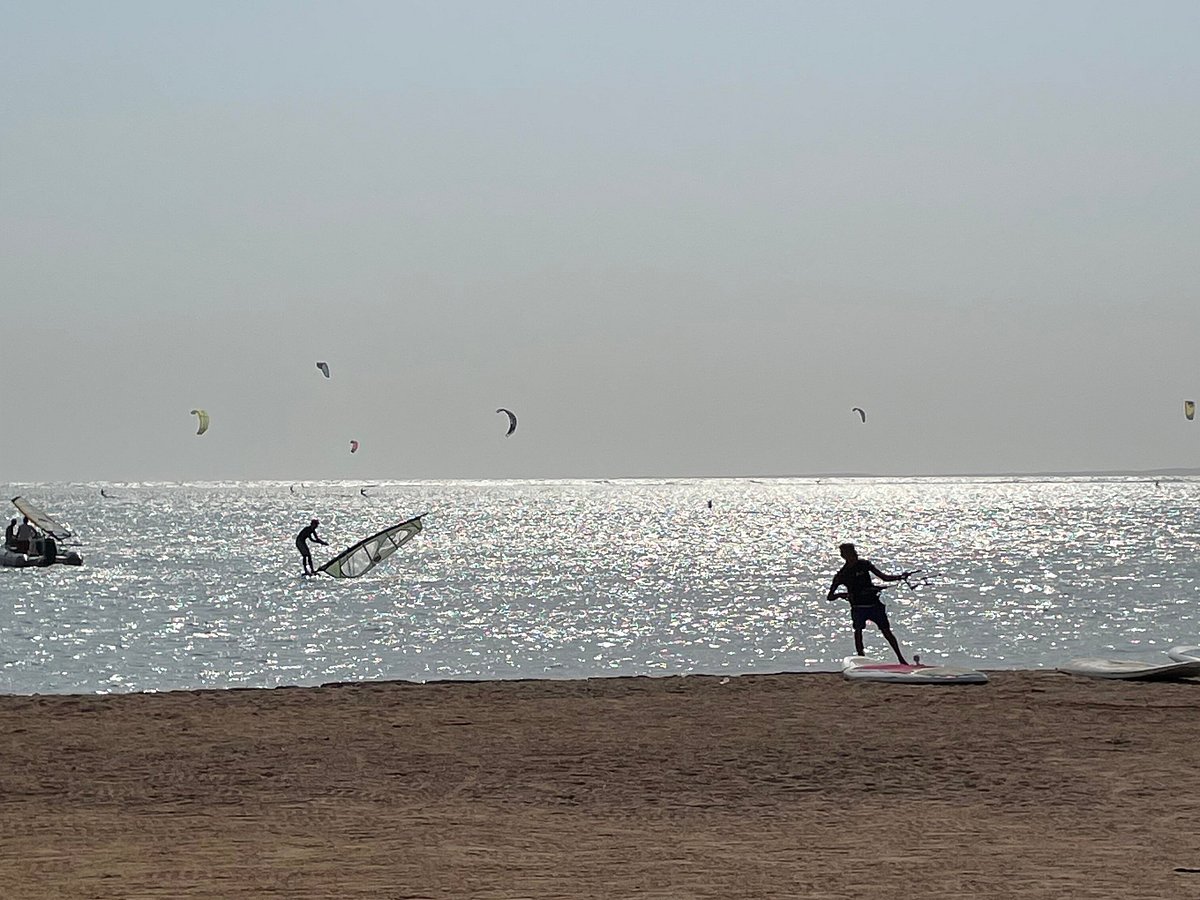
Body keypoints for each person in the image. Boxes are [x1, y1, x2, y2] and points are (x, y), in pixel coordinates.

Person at [827, 542, 911, 664]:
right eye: (850, 554)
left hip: (874, 605)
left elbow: (884, 577)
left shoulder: (864, 564)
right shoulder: (842, 575)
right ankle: (861, 659)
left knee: (887, 631)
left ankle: (901, 659)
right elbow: (830, 597)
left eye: (854, 553)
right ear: (844, 556)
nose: (854, 555)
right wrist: (843, 595)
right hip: (858, 607)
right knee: (858, 631)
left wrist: (900, 577)